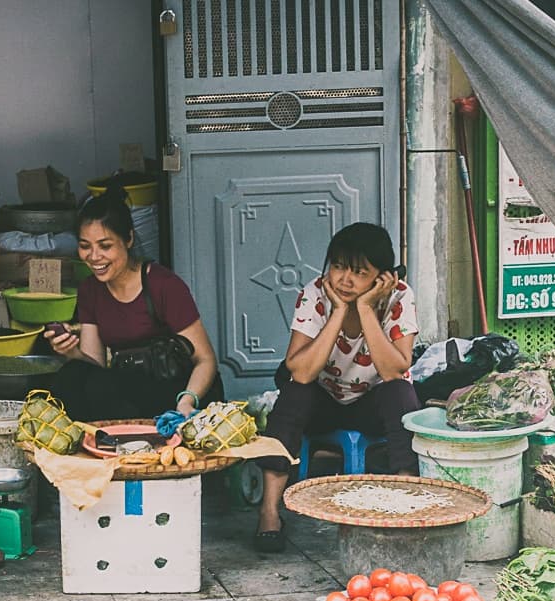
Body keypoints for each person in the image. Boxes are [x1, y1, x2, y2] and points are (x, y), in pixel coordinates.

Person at [253, 222, 422, 552]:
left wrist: (365, 309)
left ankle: (405, 500)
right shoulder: (316, 293)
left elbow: (393, 370)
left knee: (401, 393)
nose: (345, 279)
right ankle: (269, 511)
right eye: (339, 267)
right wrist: (340, 312)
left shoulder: (400, 296)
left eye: (360, 272)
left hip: (372, 404)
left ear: (382, 277)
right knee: (294, 393)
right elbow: (300, 371)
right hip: (324, 402)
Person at [45, 186, 223, 421]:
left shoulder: (163, 284)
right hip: (130, 391)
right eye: (85, 246)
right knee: (72, 374)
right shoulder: (90, 290)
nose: (94, 256)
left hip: (179, 391)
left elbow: (206, 359)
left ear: (128, 239)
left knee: (102, 387)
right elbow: (92, 365)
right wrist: (71, 350)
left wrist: (187, 402)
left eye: (105, 246)